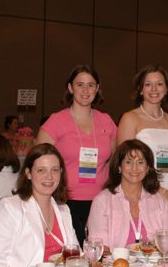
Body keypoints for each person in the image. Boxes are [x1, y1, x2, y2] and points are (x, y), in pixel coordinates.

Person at [37, 64, 117, 244]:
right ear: (70, 87)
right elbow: (38, 163)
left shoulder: (106, 121)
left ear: (97, 89)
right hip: (64, 201)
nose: (85, 90)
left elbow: (116, 161)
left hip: (101, 201)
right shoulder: (56, 121)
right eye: (80, 84)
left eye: (90, 85)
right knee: (73, 255)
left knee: (99, 254)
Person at [117, 65, 168, 242]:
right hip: (142, 194)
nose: (154, 89)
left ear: (166, 89)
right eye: (148, 84)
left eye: (159, 84)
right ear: (140, 89)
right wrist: (159, 192)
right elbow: (125, 162)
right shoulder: (130, 118)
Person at [87, 139, 168, 251]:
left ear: (147, 168)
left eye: (140, 162)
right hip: (115, 266)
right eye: (128, 162)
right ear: (119, 167)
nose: (134, 168)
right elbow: (99, 247)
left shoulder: (161, 202)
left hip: (154, 266)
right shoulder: (102, 201)